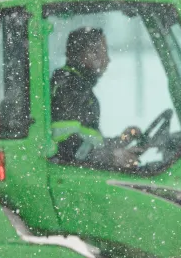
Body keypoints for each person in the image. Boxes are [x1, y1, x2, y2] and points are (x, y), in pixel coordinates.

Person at [50, 27, 138, 168]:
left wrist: (121, 141)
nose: (107, 60)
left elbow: (88, 141)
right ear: (87, 54)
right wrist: (111, 157)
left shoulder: (78, 86)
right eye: (103, 53)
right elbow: (66, 146)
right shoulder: (70, 88)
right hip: (74, 177)